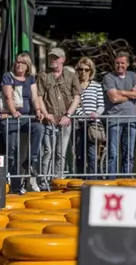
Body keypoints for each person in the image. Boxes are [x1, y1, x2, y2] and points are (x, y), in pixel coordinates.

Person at [36, 47, 80, 186]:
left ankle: (58, 182)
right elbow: (39, 96)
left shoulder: (71, 76)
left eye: (56, 57)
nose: (53, 60)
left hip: (65, 120)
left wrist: (68, 115)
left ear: (63, 59)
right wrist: (45, 113)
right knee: (48, 152)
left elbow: (77, 97)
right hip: (49, 120)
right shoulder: (44, 75)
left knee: (61, 153)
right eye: (51, 57)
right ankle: (44, 182)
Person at [1, 52, 44, 192]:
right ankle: (15, 184)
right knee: (12, 150)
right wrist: (13, 111)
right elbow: (8, 97)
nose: (19, 64)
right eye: (17, 61)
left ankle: (30, 161)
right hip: (12, 118)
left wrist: (38, 110)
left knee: (39, 128)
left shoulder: (30, 78)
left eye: (23, 63)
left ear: (28, 66)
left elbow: (34, 97)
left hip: (26, 118)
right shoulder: (8, 76)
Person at [103, 51, 136, 177]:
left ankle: (127, 180)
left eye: (122, 63)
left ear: (128, 64)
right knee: (113, 154)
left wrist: (122, 92)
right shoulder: (108, 77)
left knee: (129, 153)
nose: (120, 65)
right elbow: (113, 98)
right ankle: (112, 180)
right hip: (114, 119)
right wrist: (131, 94)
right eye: (117, 63)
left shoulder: (132, 76)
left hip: (131, 120)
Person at [73, 56, 104, 175]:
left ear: (91, 71)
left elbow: (101, 105)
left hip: (92, 124)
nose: (83, 72)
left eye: (87, 70)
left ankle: (93, 180)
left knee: (92, 153)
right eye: (81, 69)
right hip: (78, 124)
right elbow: (74, 105)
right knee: (79, 154)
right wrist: (83, 115)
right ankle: (80, 180)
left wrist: (96, 114)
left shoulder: (96, 86)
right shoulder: (74, 85)